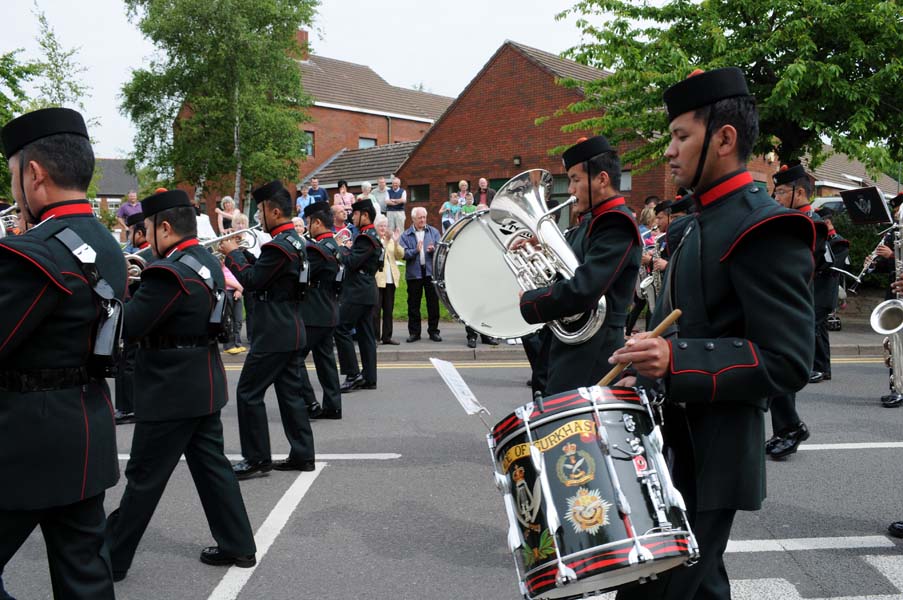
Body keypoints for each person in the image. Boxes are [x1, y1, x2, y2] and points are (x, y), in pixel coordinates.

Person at [610, 67, 815, 600]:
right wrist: (648, 362)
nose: (670, 152)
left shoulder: (764, 227)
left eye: (681, 137)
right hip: (674, 445)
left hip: (715, 459)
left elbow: (788, 360)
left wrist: (677, 362)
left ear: (724, 139)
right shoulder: (694, 222)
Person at [0, 107, 126, 599]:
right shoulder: (104, 243)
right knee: (85, 581)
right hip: (83, 431)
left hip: (26, 441)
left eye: (12, 175)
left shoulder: (38, 250)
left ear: (34, 174)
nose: (13, 191)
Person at [106, 189, 256, 580]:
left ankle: (111, 559)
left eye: (148, 228)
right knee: (212, 469)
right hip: (203, 382)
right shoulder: (205, 259)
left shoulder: (168, 272)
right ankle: (239, 544)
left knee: (144, 479)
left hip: (171, 388)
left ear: (165, 228)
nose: (144, 237)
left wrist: (123, 284)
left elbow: (131, 325)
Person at [517, 135, 641, 394]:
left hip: (594, 350)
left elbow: (584, 288)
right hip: (572, 344)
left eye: (575, 179)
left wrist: (531, 301)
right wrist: (541, 247)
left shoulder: (616, 223)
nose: (570, 189)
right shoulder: (591, 222)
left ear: (602, 179)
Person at [220, 180, 316, 479]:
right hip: (290, 325)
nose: (259, 218)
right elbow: (266, 272)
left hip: (274, 330)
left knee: (248, 392)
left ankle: (257, 458)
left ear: (275, 211)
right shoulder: (294, 241)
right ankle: (302, 454)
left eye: (261, 212)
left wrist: (233, 255)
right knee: (290, 395)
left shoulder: (279, 246)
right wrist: (245, 257)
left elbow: (252, 281)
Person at [766, 163, 828, 460]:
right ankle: (786, 427)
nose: (775, 198)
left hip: (793, 305)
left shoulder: (812, 224)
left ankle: (790, 427)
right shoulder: (788, 220)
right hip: (779, 303)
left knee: (778, 367)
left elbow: (803, 268)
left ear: (799, 192)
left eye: (780, 192)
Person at [297, 202, 343, 420]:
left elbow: (301, 277)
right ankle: (333, 407)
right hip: (329, 310)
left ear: (317, 223)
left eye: (309, 222)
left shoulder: (318, 250)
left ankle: (310, 403)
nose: (308, 226)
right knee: (326, 363)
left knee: (293, 360)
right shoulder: (335, 246)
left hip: (314, 313)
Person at [335, 199, 383, 391]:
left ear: (364, 215)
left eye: (354, 214)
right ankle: (369, 377)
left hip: (358, 291)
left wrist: (339, 247)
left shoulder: (365, 238)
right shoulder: (370, 235)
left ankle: (353, 374)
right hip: (366, 289)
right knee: (365, 334)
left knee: (341, 328)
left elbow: (352, 262)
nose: (351, 217)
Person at [811, 206, 849, 384]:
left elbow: (831, 267)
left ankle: (818, 368)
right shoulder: (824, 240)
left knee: (815, 329)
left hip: (825, 293)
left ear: (827, 222)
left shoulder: (839, 243)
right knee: (821, 331)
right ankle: (823, 369)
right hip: (816, 292)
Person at [400, 206, 442, 343]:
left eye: (424, 217)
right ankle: (414, 333)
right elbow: (403, 254)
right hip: (414, 274)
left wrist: (433, 249)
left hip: (430, 272)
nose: (423, 220)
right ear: (413, 219)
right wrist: (415, 251)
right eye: (420, 218)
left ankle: (434, 331)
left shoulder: (434, 232)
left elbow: (441, 251)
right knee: (413, 304)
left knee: (433, 304)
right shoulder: (406, 235)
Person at [374, 214, 404, 345]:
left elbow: (400, 255)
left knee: (388, 310)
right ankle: (375, 338)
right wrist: (386, 241)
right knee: (375, 310)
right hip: (377, 280)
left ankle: (387, 337)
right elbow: (380, 253)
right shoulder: (374, 240)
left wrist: (396, 242)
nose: (383, 228)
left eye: (385, 226)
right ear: (376, 227)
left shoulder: (391, 240)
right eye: (381, 226)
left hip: (390, 280)